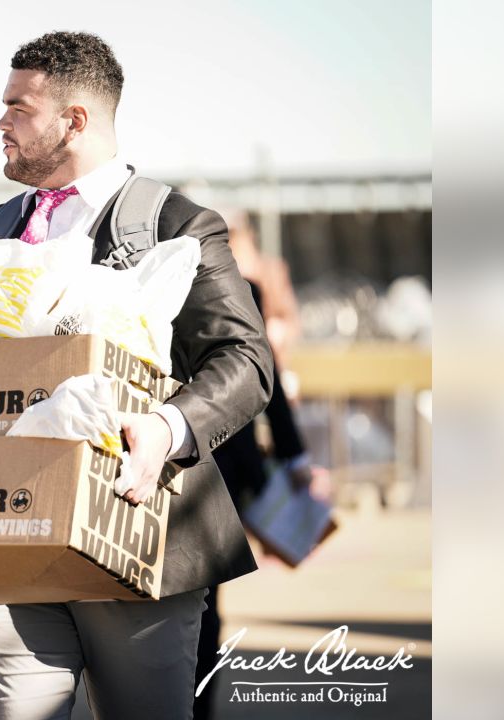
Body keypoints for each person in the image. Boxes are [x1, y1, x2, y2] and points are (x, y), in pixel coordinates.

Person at [0, 32, 273, 720]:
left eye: (17, 107)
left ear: (74, 120)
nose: (0, 121)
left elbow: (246, 360)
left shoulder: (175, 225)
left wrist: (165, 426)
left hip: (135, 539)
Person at [194, 211, 314, 720]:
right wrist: (293, 456)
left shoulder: (247, 293)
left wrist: (294, 452)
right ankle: (196, 701)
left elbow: (265, 381)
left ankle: (195, 700)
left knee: (200, 600)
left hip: (216, 466)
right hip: (219, 462)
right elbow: (269, 386)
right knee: (203, 601)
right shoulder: (245, 292)